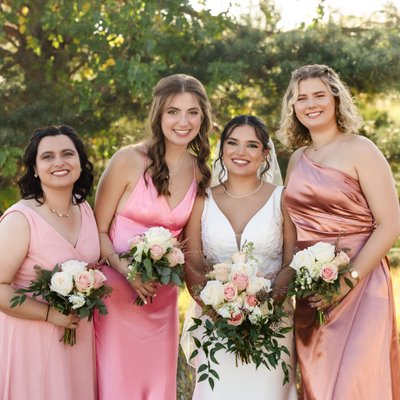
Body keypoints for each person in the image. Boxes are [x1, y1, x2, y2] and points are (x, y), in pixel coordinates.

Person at [279, 64, 400, 399]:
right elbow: (292, 228)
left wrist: (347, 280)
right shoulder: (297, 159)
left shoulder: (361, 149)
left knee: (357, 383)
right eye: (301, 97)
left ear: (335, 99)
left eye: (319, 95)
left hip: (362, 284)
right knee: (320, 384)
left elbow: (390, 224)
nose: (310, 104)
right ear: (293, 106)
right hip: (312, 291)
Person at [94, 73, 212, 400]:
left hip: (162, 299)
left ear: (203, 118)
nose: (183, 122)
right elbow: (97, 232)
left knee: (158, 385)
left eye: (192, 112)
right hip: (116, 292)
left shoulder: (200, 173)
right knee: (117, 384)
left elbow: (191, 249)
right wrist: (125, 269)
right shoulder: (127, 160)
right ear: (159, 114)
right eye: (173, 111)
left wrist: (217, 297)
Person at [181, 114, 298, 400]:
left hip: (273, 326)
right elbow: (192, 264)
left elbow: (291, 263)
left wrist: (263, 310)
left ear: (265, 153)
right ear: (221, 149)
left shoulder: (283, 198)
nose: (240, 152)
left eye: (251, 145)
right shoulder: (201, 199)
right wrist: (220, 313)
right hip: (215, 325)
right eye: (232, 143)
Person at [0, 126, 99, 400]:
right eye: (47, 156)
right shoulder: (20, 219)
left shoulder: (84, 208)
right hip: (32, 341)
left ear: (80, 162)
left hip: (78, 338)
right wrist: (49, 314)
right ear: (34, 168)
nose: (59, 162)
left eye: (67, 154)